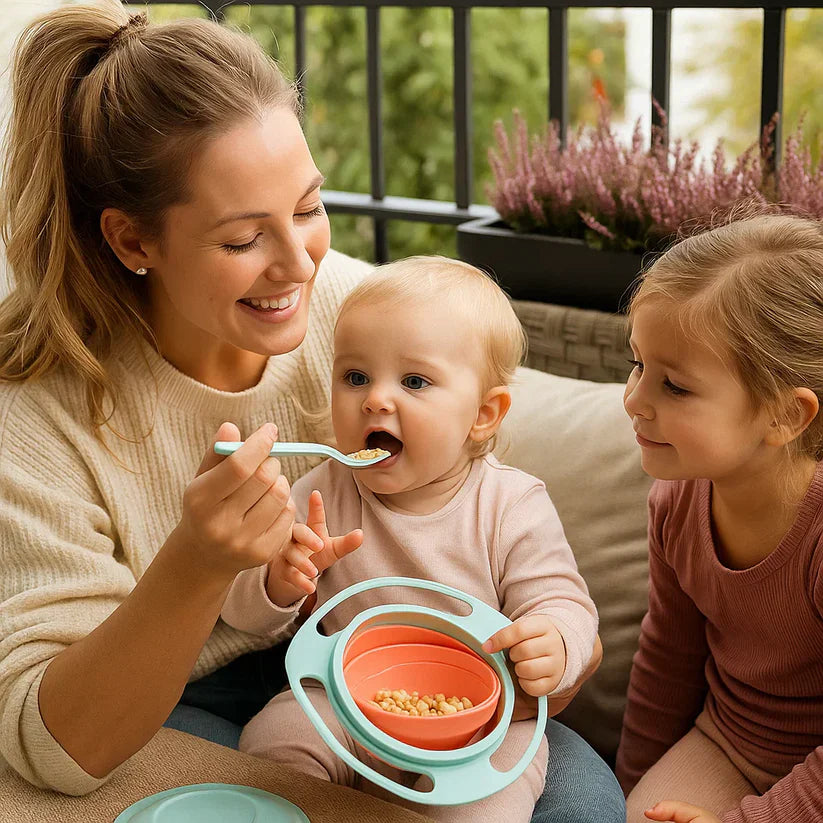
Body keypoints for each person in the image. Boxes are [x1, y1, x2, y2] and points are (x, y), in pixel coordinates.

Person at [0, 2, 624, 819]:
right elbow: (55, 749)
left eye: (307, 207)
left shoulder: (353, 314)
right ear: (132, 241)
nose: (298, 264)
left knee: (581, 807)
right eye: (241, 239)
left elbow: (477, 419)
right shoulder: (39, 408)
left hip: (394, 662)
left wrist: (557, 645)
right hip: (182, 692)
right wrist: (198, 561)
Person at [221, 256, 602, 822]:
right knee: (276, 741)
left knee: (491, 805)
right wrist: (280, 581)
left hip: (480, 722)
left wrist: (556, 644)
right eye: (355, 377)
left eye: (414, 381)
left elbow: (564, 603)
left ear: (483, 414)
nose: (375, 399)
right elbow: (242, 614)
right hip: (343, 703)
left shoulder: (511, 504)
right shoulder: (322, 491)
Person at [616, 214, 823, 823]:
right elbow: (667, 659)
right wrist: (623, 791)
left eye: (674, 386)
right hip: (728, 744)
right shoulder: (676, 504)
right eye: (637, 365)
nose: (634, 400)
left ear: (786, 416)